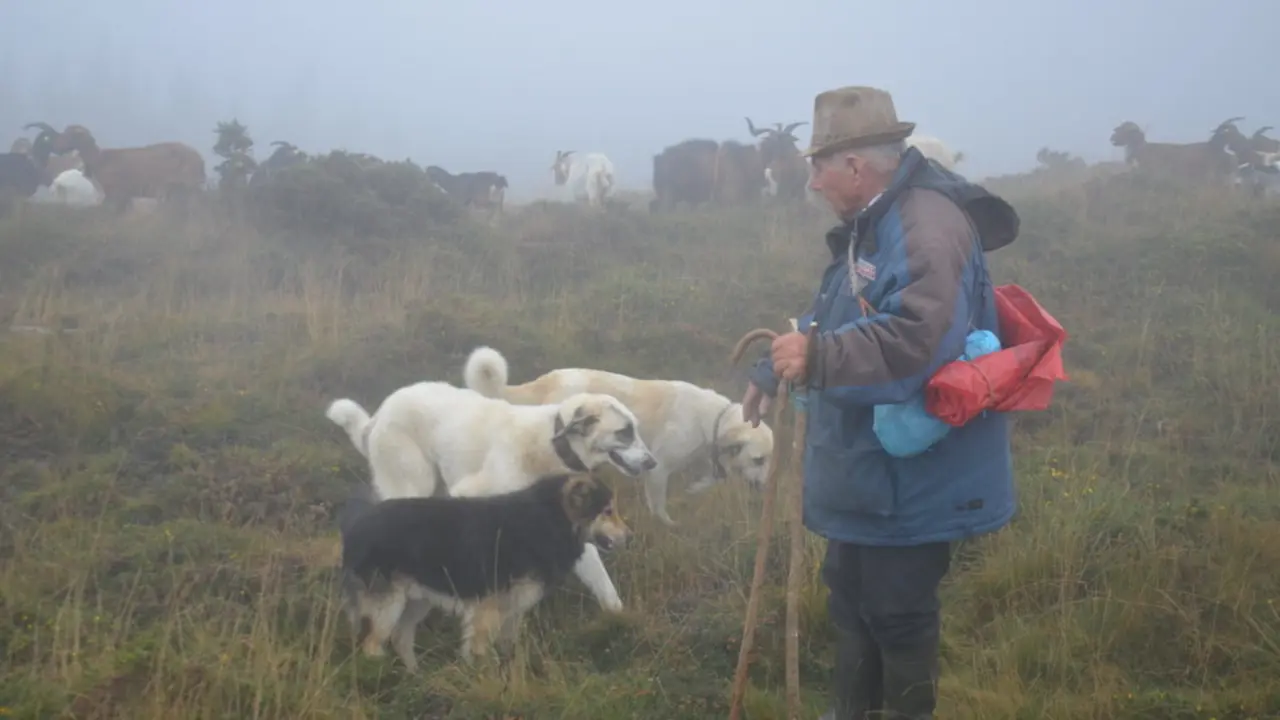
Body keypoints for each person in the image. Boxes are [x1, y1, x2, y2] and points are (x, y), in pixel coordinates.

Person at [742, 86, 1020, 719]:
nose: (812, 182)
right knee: (852, 604)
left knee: (896, 614)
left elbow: (920, 338)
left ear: (855, 167)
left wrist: (819, 360)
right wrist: (774, 365)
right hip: (870, 473)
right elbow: (835, 312)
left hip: (916, 480)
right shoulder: (875, 220)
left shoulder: (925, 226)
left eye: (818, 167)